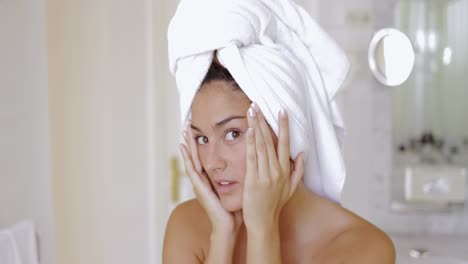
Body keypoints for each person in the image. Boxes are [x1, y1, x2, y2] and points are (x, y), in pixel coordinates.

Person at [163, 0, 395, 263]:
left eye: (232, 134)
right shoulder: (188, 227)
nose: (212, 162)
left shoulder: (363, 248)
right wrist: (222, 236)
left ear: (285, 131)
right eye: (201, 138)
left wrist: (263, 231)